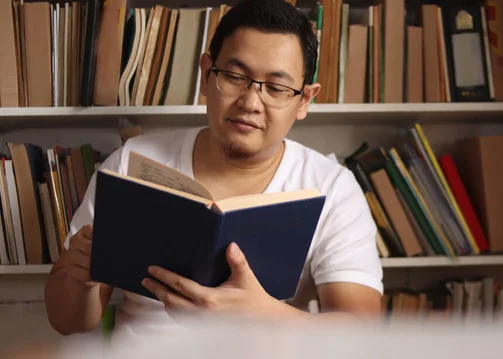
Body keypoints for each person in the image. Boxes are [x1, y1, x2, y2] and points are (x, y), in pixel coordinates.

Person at [44, 0, 383, 341]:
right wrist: (80, 279)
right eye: (236, 77)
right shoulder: (132, 162)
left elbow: (360, 332)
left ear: (305, 100)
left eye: (277, 88)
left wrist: (261, 313)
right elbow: (67, 321)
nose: (250, 103)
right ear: (206, 75)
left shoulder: (332, 187)